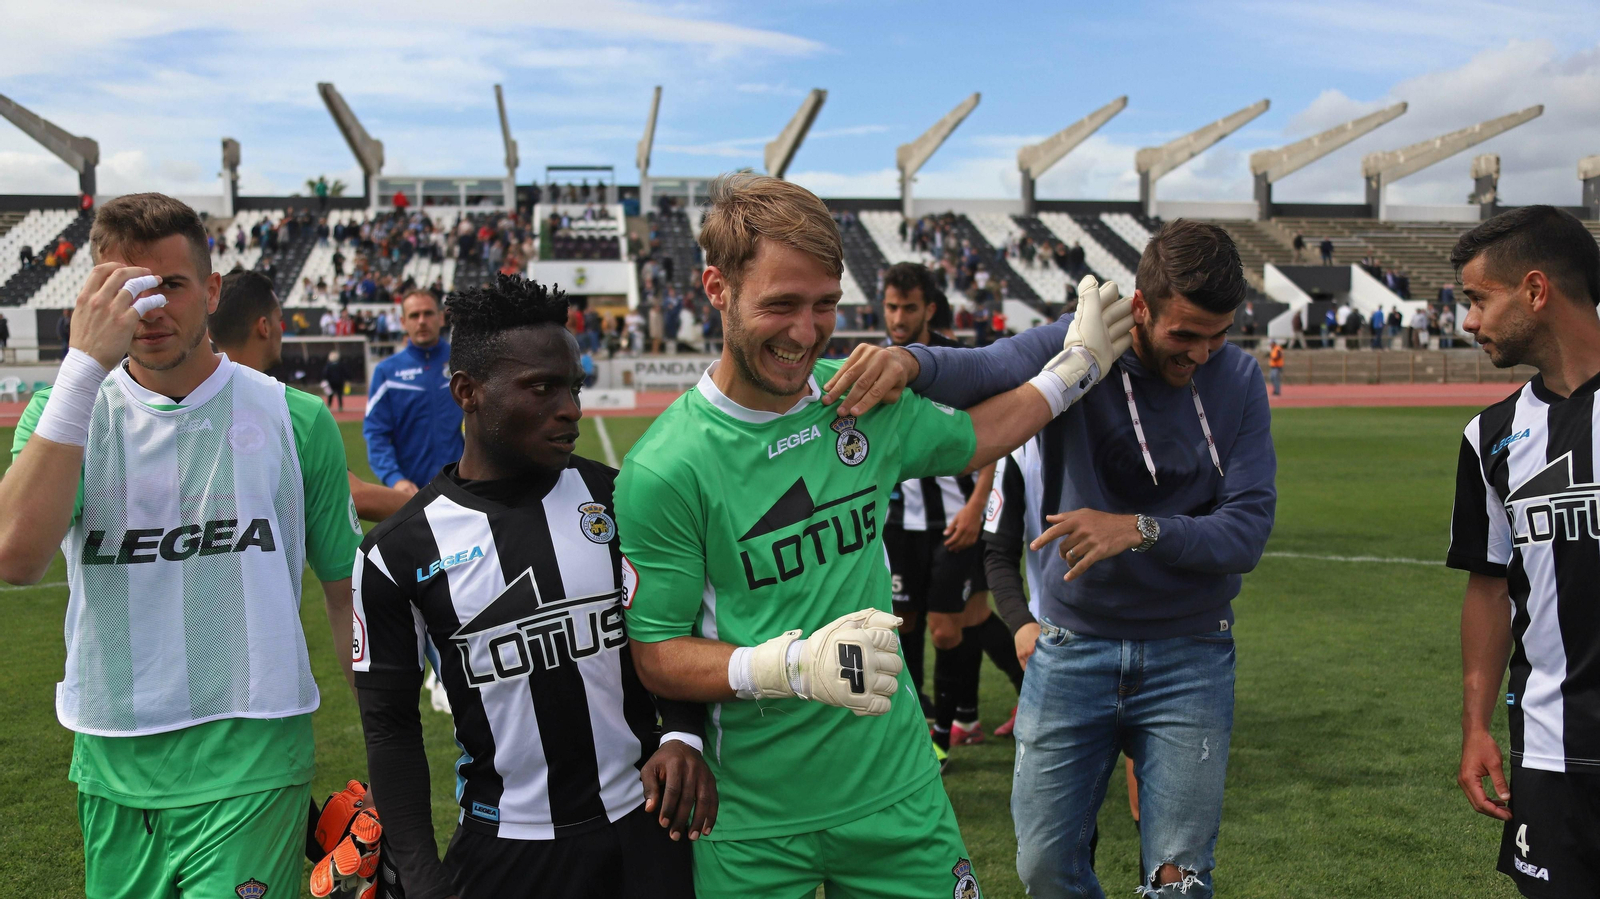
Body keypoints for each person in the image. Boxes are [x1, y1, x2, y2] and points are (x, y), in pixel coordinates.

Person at [614, 173, 1134, 898]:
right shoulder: (665, 468)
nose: (806, 332)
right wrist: (792, 665)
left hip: (898, 794)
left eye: (825, 305)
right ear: (717, 289)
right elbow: (658, 655)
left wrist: (1076, 370)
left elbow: (980, 433)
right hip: (753, 822)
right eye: (781, 305)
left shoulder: (854, 400)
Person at [823, 218, 1277, 899]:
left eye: (1220, 334)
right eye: (1186, 334)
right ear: (1140, 306)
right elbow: (986, 367)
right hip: (1072, 650)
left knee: (1179, 879)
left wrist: (1138, 529)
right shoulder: (1082, 342)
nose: (1204, 353)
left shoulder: (1237, 378)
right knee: (1042, 867)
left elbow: (1246, 532)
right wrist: (908, 362)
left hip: (1191, 652)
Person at [0, 193, 363, 899]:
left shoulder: (295, 419)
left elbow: (346, 594)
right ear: (93, 296)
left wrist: (392, 752)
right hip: (113, 761)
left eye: (171, 284)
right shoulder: (63, 413)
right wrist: (81, 367)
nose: (151, 308)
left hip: (254, 759)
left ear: (212, 291)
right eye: (128, 288)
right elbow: (15, 558)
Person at [352, 275, 716, 899]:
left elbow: (674, 634)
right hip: (505, 853)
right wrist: (419, 873)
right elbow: (389, 727)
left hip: (648, 831)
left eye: (574, 387)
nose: (571, 407)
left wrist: (681, 732)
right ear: (467, 392)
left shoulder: (621, 499)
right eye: (542, 388)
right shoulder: (396, 552)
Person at [1447, 205, 1600, 898]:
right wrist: (1476, 725)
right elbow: (1488, 587)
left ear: (1535, 290)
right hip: (1548, 750)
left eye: (1479, 299)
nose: (1469, 320)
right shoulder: (1491, 436)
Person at [879, 262, 1022, 762]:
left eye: (909, 308)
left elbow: (998, 431)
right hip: (898, 525)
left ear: (929, 309)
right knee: (904, 625)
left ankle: (944, 734)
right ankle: (930, 725)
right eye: (891, 307)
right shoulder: (878, 361)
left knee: (949, 626)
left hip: (956, 519)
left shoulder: (957, 361)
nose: (898, 318)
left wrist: (978, 504)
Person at [211, 269, 409, 523]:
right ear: (264, 327)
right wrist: (436, 508)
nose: (281, 329)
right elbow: (351, 495)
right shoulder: (293, 411)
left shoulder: (183, 407)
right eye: (279, 320)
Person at [364, 290, 464, 497]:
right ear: (403, 322)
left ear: (441, 317)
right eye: (414, 315)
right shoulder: (387, 373)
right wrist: (395, 479)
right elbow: (376, 434)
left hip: (465, 489)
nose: (422, 321)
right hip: (413, 495)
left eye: (428, 313)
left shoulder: (464, 364)